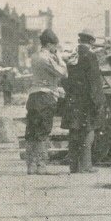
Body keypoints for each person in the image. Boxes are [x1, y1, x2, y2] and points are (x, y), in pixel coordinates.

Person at [62, 29, 105, 173]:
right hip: (86, 101)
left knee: (74, 132)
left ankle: (74, 166)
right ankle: (86, 166)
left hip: (72, 100)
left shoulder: (72, 55)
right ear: (92, 41)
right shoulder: (90, 55)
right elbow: (94, 81)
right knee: (88, 131)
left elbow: (64, 79)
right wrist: (98, 101)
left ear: (80, 40)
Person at [26, 29, 68, 174]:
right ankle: (41, 165)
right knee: (43, 131)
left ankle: (30, 166)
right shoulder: (48, 58)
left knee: (31, 131)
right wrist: (60, 58)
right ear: (49, 44)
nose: (55, 48)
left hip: (33, 96)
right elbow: (63, 73)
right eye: (54, 46)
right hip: (46, 96)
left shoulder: (34, 56)